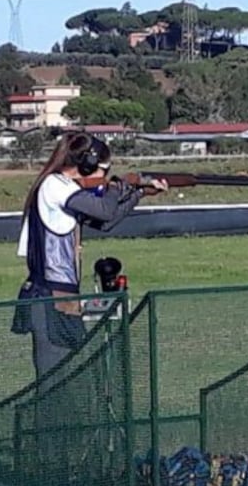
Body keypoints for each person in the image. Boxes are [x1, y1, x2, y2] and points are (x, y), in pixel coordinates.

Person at [10, 131, 167, 381]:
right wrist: (116, 185)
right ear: (87, 164)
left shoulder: (65, 189)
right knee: (55, 381)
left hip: (61, 296)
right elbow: (104, 210)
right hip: (50, 296)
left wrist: (139, 194)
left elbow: (106, 221)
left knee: (70, 378)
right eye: (103, 169)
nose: (105, 175)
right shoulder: (54, 185)